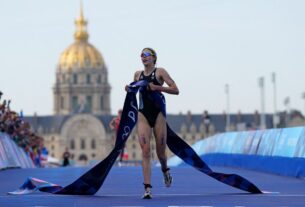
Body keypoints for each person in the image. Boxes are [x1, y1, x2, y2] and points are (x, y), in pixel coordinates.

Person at [127, 47, 179, 199]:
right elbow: (134, 89)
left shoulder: (160, 72)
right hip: (143, 113)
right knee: (145, 151)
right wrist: (128, 88)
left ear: (154, 58)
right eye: (142, 55)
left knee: (161, 153)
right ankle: (147, 188)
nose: (144, 57)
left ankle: (165, 170)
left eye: (147, 55)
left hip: (158, 114)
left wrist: (157, 87)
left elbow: (176, 90)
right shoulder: (138, 74)